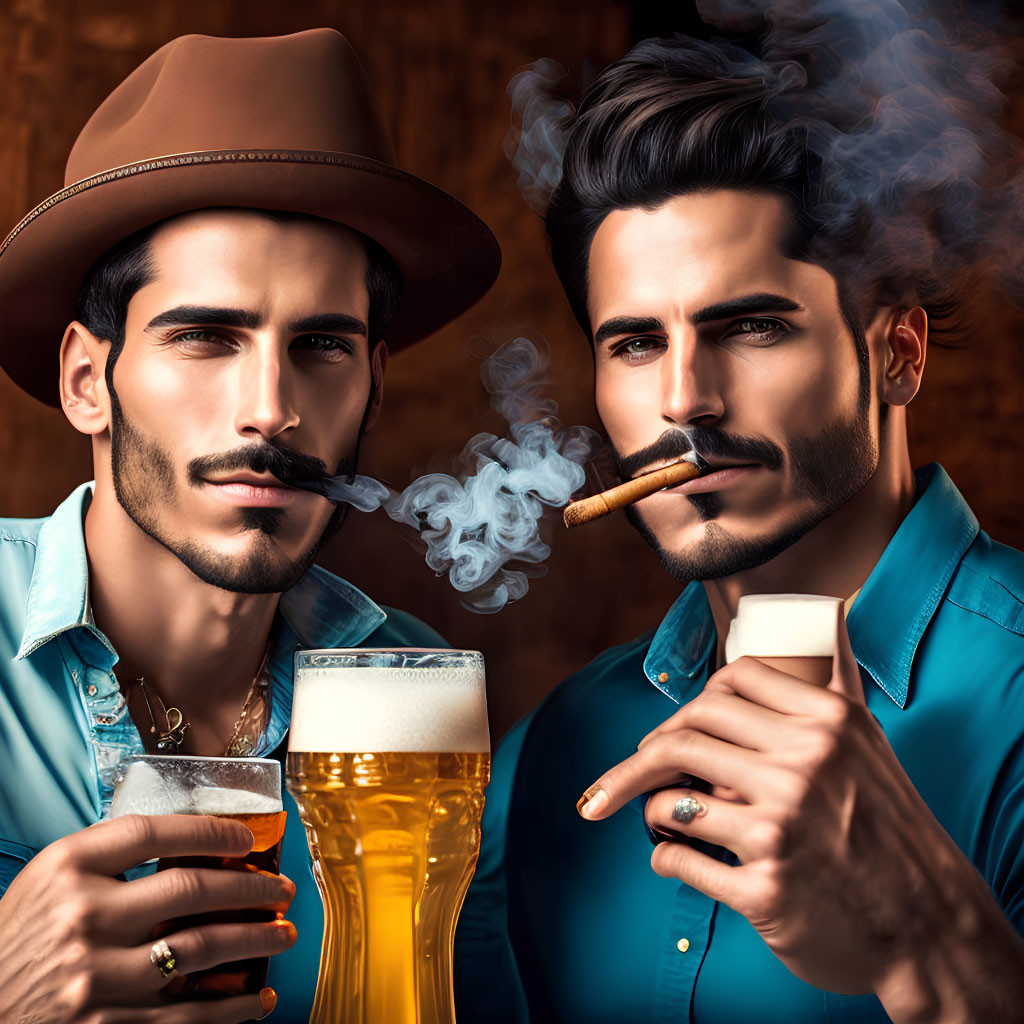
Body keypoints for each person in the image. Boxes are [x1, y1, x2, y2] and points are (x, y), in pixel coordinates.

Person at [454, 28, 1024, 1024]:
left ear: (894, 351)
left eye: (750, 326)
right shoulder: (554, 750)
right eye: (634, 343)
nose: (685, 400)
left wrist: (926, 938)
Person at [0, 29, 499, 1024]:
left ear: (373, 384)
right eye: (206, 338)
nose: (271, 408)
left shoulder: (417, 690)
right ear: (88, 379)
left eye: (321, 345)